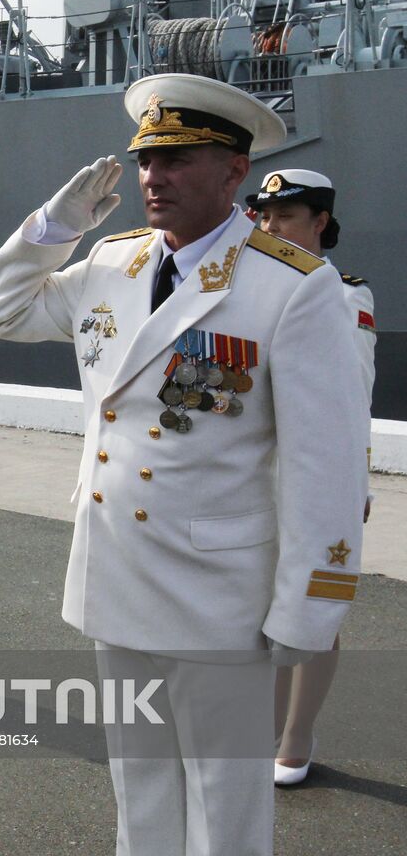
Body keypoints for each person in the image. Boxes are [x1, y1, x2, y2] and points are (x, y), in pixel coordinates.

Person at [0, 74, 369, 855]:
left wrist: (307, 611)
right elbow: (4, 312)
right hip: (117, 575)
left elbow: (325, 467)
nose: (154, 176)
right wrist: (57, 225)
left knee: (226, 805)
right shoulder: (110, 265)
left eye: (179, 158)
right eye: (147, 159)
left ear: (233, 171)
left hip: (217, 596)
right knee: (141, 787)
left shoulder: (293, 286)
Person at [245, 169, 376, 786]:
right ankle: (259, 727)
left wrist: (356, 487)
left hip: (315, 482)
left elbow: (351, 401)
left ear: (320, 223)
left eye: (286, 217)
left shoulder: (345, 296)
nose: (270, 228)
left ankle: (295, 736)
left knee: (314, 610)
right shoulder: (246, 288)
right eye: (264, 217)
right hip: (251, 480)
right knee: (254, 613)